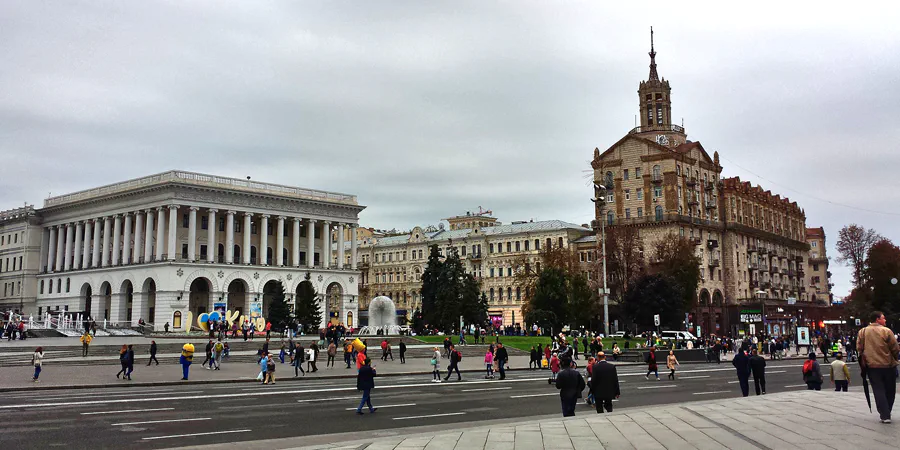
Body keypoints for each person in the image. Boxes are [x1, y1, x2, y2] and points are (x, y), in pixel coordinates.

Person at [858, 311, 900, 423]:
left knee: (878, 390)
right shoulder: (886, 331)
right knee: (890, 390)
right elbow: (895, 348)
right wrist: (895, 358)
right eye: (883, 318)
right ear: (877, 319)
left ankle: (884, 414)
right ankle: (887, 412)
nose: (885, 320)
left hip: (872, 366)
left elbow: (859, 349)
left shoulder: (862, 332)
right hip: (888, 365)